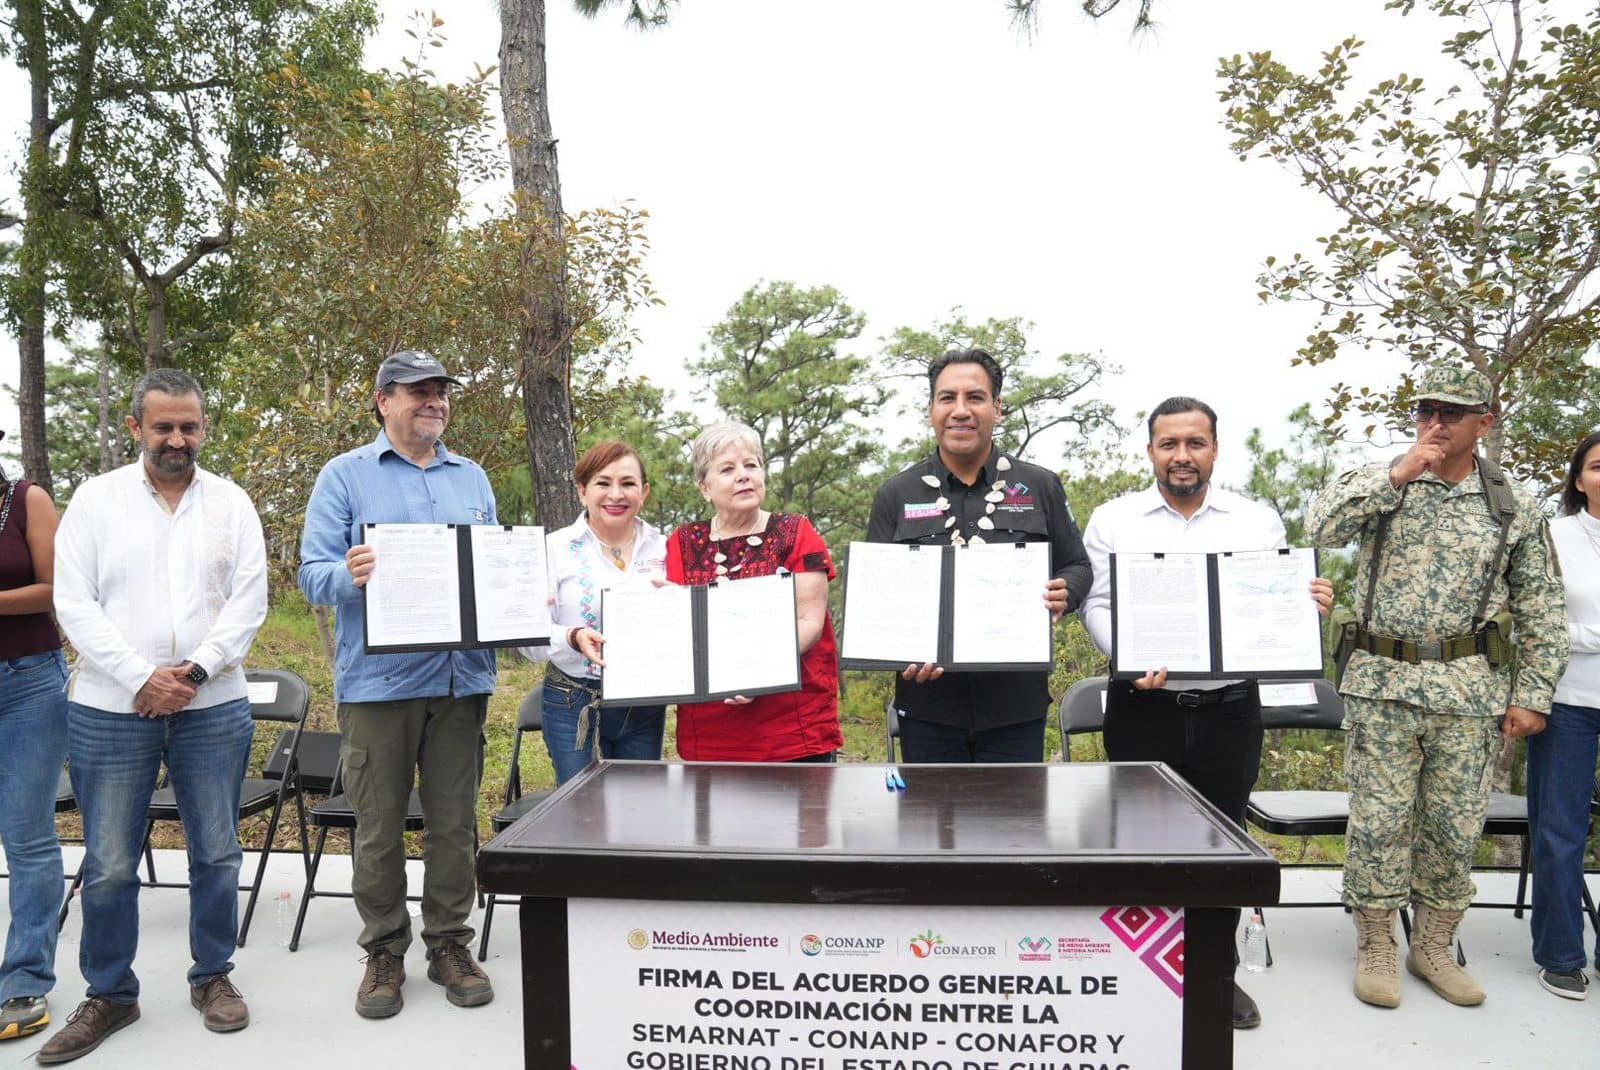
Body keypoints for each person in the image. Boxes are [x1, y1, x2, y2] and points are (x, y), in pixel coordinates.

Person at [1307, 365, 1567, 1010]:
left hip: (1468, 692)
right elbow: (1320, 527)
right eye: (1427, 410)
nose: (1437, 423)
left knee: (1454, 828)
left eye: (1453, 412)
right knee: (1379, 823)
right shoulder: (1387, 484)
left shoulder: (1511, 505)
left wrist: (1532, 695)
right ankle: (1375, 946)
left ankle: (1433, 946)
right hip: (1382, 684)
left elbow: (1541, 605)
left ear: (1485, 421)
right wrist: (1396, 472)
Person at [1080, 395, 1334, 1030]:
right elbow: (1097, 604)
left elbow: (1273, 602)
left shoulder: (1254, 521)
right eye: (1169, 444)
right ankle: (1144, 975)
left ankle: (1216, 977)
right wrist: (1129, 655)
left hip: (1229, 709)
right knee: (1138, 847)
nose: (1182, 456)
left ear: (1215, 449)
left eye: (1195, 443)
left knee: (1224, 846)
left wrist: (1305, 606)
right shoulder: (1115, 520)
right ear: (1151, 452)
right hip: (1144, 706)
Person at [44, 369, 267, 1064]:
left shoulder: (231, 503)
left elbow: (248, 601)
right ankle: (111, 993)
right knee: (109, 861)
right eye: (163, 426)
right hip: (111, 708)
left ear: (204, 428)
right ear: (137, 427)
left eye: (189, 426)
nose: (178, 438)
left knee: (217, 851)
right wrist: (142, 676)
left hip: (213, 705)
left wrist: (193, 672)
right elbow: (73, 601)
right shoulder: (96, 500)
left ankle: (213, 977)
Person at [298, 350, 496, 1019]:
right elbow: (311, 573)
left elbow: (492, 572)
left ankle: (448, 945)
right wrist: (347, 572)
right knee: (379, 828)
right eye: (418, 391)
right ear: (382, 400)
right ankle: (385, 951)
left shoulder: (472, 478)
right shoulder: (345, 476)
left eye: (441, 390)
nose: (433, 400)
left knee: (453, 824)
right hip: (379, 686)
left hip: (460, 679)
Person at [865, 348, 1090, 763]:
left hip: (1016, 709)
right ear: (931, 408)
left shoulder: (1039, 485)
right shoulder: (895, 494)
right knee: (930, 826)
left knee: (1013, 826)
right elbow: (878, 598)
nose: (961, 410)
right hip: (928, 708)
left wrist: (1067, 592)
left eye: (975, 397)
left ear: (997, 408)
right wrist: (899, 650)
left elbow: (1077, 565)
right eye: (947, 398)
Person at [665, 420, 842, 762]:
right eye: (727, 469)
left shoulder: (797, 532)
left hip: (792, 729)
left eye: (751, 465)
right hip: (712, 729)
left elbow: (809, 622)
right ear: (704, 487)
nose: (743, 475)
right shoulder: (682, 543)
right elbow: (682, 627)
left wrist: (754, 671)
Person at [521, 440, 668, 783]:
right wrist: (570, 637)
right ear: (582, 490)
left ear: (644, 492)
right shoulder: (551, 550)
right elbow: (527, 639)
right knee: (581, 810)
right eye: (603, 483)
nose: (615, 494)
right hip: (573, 701)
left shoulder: (666, 549)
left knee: (639, 804)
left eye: (628, 483)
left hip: (644, 703)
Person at [1526, 430, 1600, 1000]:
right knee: (1559, 831)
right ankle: (1560, 953)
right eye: (1598, 466)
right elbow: (1532, 620)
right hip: (1568, 699)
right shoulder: (1551, 537)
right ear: (1579, 479)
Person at [0, 432, 67, 1045]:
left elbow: (55, 591)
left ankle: (23, 979)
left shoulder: (27, 500)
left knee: (27, 836)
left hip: (26, 685)